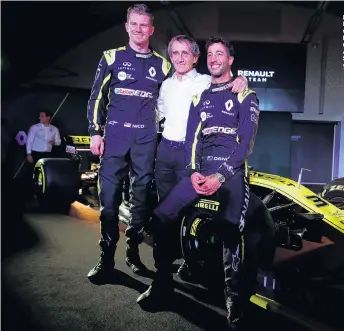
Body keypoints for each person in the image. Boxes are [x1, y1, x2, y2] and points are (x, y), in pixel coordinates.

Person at [137, 36, 260, 329]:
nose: (215, 58)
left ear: (230, 60)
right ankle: (164, 280)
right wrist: (194, 171)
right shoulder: (199, 95)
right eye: (211, 54)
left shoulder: (245, 94)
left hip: (230, 172)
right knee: (160, 217)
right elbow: (192, 138)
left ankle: (234, 300)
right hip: (196, 169)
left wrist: (221, 175)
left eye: (221, 54)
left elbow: (246, 143)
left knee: (232, 228)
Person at [86, 3, 171, 281]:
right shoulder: (111, 57)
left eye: (144, 24)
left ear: (151, 29)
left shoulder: (163, 64)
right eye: (134, 23)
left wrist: (235, 80)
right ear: (126, 26)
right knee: (108, 201)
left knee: (140, 201)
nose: (138, 29)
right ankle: (105, 257)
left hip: (146, 140)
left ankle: (132, 251)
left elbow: (182, 94)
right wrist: (94, 131)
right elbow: (97, 97)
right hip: (115, 136)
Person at [155, 34, 248, 280]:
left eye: (185, 53)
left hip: (195, 155)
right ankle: (164, 275)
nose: (179, 58)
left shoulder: (207, 81)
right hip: (166, 152)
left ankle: (190, 259)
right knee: (166, 211)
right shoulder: (165, 85)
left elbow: (229, 79)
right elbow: (160, 114)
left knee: (195, 208)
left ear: (195, 58)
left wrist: (242, 79)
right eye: (174, 53)